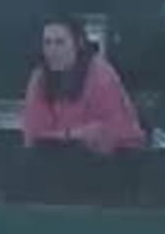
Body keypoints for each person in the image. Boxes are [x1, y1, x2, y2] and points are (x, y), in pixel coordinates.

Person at [16, 19, 144, 202]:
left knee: (75, 164)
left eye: (60, 42)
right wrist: (66, 137)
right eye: (47, 43)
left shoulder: (101, 74)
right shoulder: (39, 77)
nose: (52, 50)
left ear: (78, 44)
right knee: (26, 162)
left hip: (114, 157)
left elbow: (109, 132)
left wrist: (67, 136)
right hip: (62, 150)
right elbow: (34, 132)